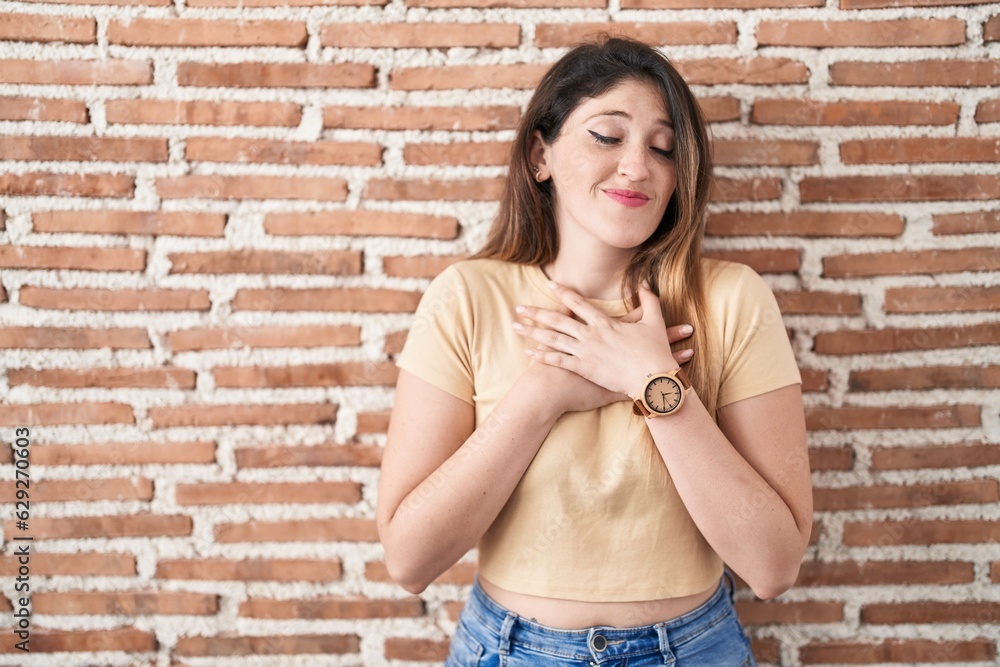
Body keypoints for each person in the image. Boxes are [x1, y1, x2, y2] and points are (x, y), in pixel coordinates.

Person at [376, 36, 812, 666]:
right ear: (539, 155)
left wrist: (654, 383)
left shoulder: (731, 300)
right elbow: (409, 559)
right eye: (608, 137)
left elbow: (772, 567)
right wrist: (544, 394)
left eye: (662, 148)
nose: (638, 166)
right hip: (508, 651)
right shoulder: (466, 297)